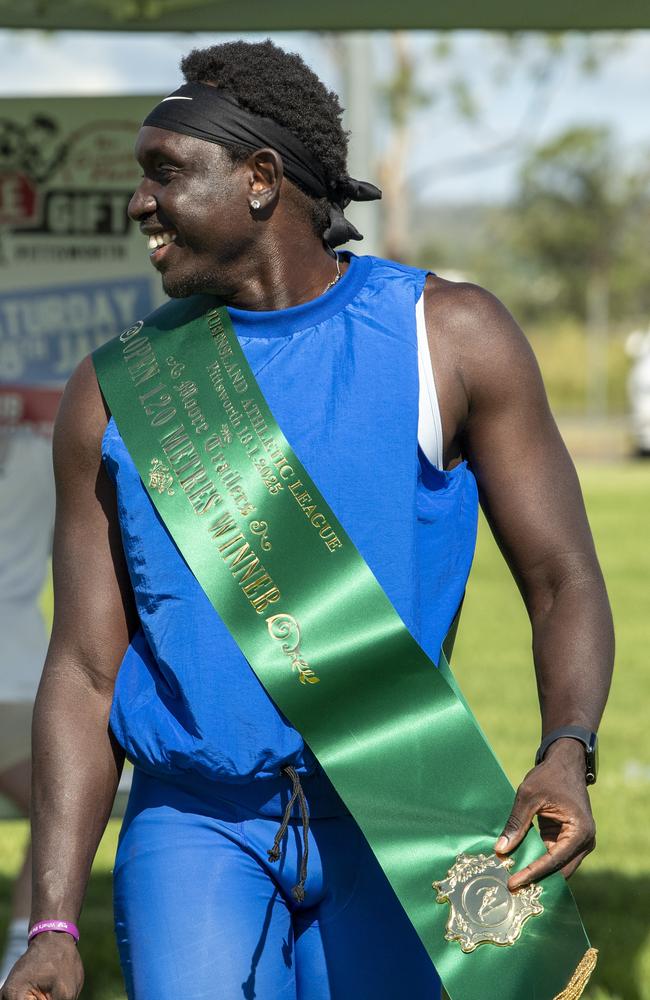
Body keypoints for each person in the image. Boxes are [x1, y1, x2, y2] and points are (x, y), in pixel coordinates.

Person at [2, 39, 613, 1000]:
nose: (138, 203)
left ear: (260, 180)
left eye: (165, 173)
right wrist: (51, 923)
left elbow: (562, 578)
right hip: (193, 825)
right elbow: (83, 670)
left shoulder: (447, 337)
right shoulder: (115, 393)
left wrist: (565, 750)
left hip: (399, 811)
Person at [0, 391, 55, 987]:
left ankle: (21, 952)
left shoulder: (38, 461)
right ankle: (21, 950)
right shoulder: (39, 458)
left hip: (18, 688)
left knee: (55, 811)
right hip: (19, 687)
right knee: (55, 812)